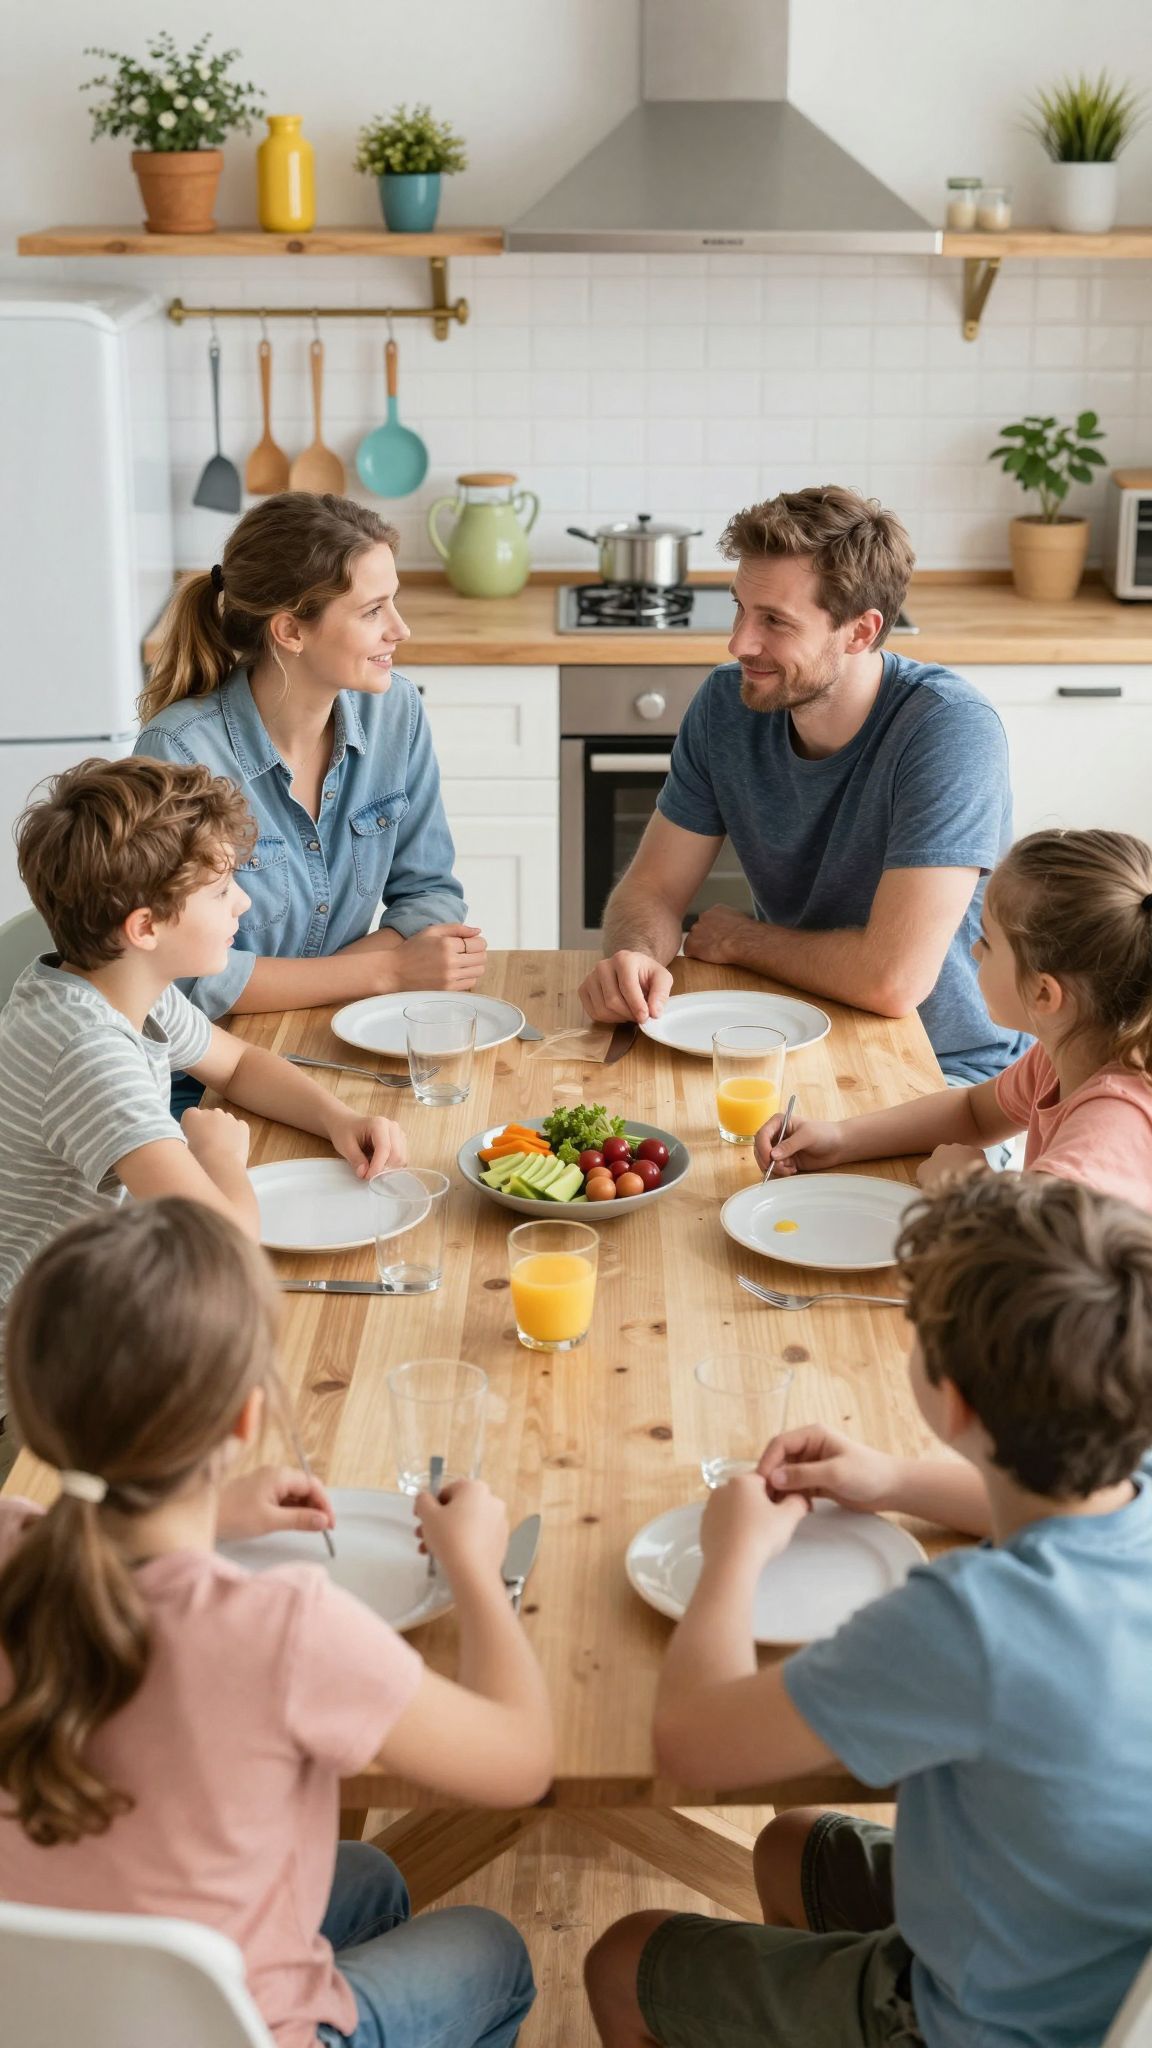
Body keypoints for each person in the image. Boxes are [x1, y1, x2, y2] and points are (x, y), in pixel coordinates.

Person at [584, 1173, 1152, 2048]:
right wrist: (891, 1479)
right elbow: (1048, 1504)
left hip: (979, 2022)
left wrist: (732, 1553)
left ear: (952, 1400)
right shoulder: (1129, 1483)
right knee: (791, 1846)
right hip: (1092, 1965)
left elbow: (691, 1741)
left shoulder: (974, 1624)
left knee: (624, 1960)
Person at [0, 1199, 549, 2048]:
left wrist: (209, 1510)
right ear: (245, 1418)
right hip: (246, 2032)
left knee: (371, 1878)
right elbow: (519, 1761)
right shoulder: (282, 1630)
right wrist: (475, 1564)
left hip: (36, 2015)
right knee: (493, 1949)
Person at [578, 486, 1024, 1084]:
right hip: (787, 1034)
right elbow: (652, 888)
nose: (739, 643)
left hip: (945, 1069)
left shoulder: (948, 729)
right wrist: (634, 955)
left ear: (860, 632)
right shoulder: (725, 703)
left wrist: (744, 941)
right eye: (739, 608)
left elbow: (892, 981)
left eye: (775, 621)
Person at [0, 755, 406, 1361]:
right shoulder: (87, 1052)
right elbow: (224, 1250)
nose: (242, 903)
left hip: (99, 1292)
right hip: (49, 1364)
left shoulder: (123, 984)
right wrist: (220, 1158)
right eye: (219, 891)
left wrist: (337, 1119)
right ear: (145, 928)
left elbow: (238, 1066)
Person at [135, 490, 486, 1020]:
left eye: (393, 601)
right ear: (291, 630)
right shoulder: (179, 751)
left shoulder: (396, 710)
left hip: (343, 1022)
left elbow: (429, 895)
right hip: (215, 1052)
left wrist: (330, 983)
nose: (400, 629)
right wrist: (388, 971)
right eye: (373, 610)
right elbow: (182, 979)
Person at [756, 829, 1152, 1209]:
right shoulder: (1070, 1050)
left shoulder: (1108, 1133)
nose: (975, 952)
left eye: (987, 942)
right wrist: (840, 1138)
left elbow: (1046, 1252)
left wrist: (969, 1192)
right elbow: (974, 1112)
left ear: (1044, 993)